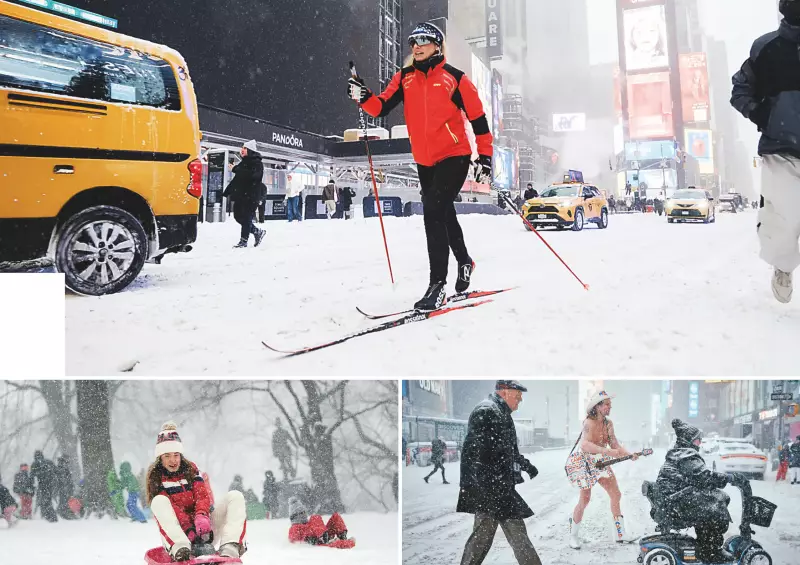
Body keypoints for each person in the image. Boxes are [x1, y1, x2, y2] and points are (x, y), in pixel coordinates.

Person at [349, 22, 493, 310]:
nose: (417, 45)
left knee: (433, 212)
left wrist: (485, 158)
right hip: (425, 160)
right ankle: (465, 261)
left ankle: (436, 284)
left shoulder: (455, 78)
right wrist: (363, 96)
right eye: (413, 41)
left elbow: (478, 119)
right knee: (443, 213)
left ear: (437, 46)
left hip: (455, 154)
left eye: (424, 41)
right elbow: (380, 107)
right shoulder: (405, 78)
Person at [731, 0, 800, 303]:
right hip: (780, 148)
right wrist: (763, 115)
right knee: (784, 220)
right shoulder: (765, 47)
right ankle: (783, 266)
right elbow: (740, 89)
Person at [457, 381, 542, 565]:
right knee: (484, 539)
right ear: (504, 393)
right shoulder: (487, 411)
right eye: (518, 397)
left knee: (506, 537)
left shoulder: (501, 413)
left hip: (499, 489)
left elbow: (509, 451)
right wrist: (485, 488)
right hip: (490, 490)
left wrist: (526, 466)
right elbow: (475, 455)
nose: (520, 401)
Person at [147, 421, 247, 561]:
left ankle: (230, 545)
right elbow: (173, 509)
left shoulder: (191, 470)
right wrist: (189, 529)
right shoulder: (156, 477)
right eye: (167, 456)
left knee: (235, 496)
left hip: (203, 530)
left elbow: (202, 495)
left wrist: (201, 516)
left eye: (176, 455)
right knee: (158, 501)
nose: (173, 460)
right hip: (179, 534)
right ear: (160, 458)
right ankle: (181, 548)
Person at [656, 419, 742, 562]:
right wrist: (729, 478)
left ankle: (707, 546)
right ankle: (711, 551)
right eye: (697, 440)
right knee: (716, 512)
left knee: (716, 501)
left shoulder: (680, 453)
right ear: (688, 440)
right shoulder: (686, 455)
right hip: (676, 503)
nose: (700, 443)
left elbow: (697, 479)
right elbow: (704, 477)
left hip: (672, 500)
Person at [566, 391, 638, 549]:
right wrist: (606, 451)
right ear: (597, 406)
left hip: (602, 464)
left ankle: (620, 534)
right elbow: (584, 445)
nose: (609, 408)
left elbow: (615, 445)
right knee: (584, 499)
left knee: (616, 494)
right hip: (586, 464)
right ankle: (573, 536)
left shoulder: (608, 424)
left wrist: (629, 454)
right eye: (606, 405)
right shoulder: (588, 423)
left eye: (610, 405)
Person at [223, 140, 266, 248]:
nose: (242, 150)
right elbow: (238, 179)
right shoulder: (243, 163)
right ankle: (256, 231)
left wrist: (236, 169)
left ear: (250, 150)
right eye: (242, 148)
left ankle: (243, 241)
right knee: (238, 216)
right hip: (241, 196)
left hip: (251, 196)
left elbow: (254, 176)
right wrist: (227, 192)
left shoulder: (257, 163)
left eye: (245, 148)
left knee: (246, 218)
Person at [31, 450, 57, 522]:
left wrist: (32, 487)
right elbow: (56, 471)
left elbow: (32, 476)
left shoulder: (35, 464)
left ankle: (49, 516)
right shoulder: (48, 462)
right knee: (47, 500)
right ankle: (48, 515)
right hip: (51, 484)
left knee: (44, 500)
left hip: (42, 484)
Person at [55, 455, 75, 520]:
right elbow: (63, 479)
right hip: (63, 488)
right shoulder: (61, 469)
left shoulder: (63, 469)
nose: (67, 463)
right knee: (63, 501)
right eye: (66, 461)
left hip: (65, 488)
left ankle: (63, 513)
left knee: (65, 501)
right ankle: (62, 513)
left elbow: (68, 479)